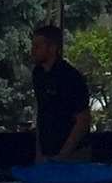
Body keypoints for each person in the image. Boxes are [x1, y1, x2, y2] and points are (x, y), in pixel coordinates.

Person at [29, 24, 92, 162]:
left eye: (38, 46)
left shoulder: (70, 77)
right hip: (47, 150)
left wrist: (64, 154)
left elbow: (83, 119)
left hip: (73, 153)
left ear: (52, 48)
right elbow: (43, 111)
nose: (32, 50)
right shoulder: (38, 74)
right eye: (33, 45)